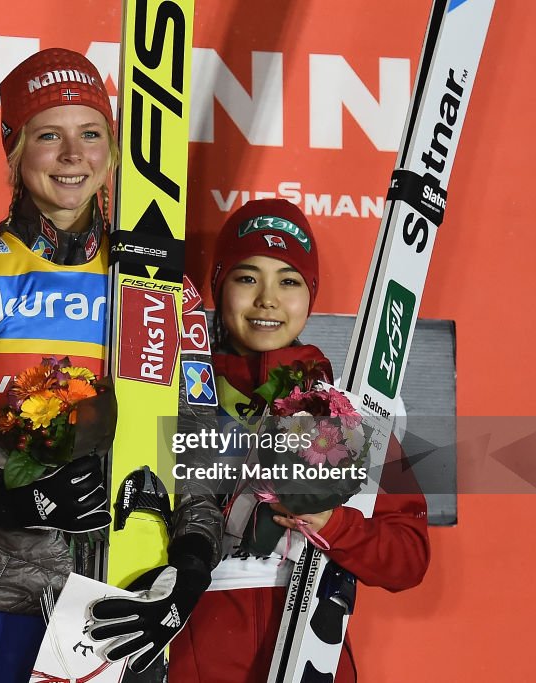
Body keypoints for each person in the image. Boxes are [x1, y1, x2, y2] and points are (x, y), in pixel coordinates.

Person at [0, 48, 222, 682]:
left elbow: (196, 439)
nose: (74, 155)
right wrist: (7, 498)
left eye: (91, 134)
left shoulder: (161, 288)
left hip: (117, 606)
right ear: (16, 152)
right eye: (50, 135)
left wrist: (191, 561)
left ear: (112, 149)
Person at [168, 198, 431, 682]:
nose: (267, 299)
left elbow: (407, 557)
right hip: (191, 642)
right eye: (247, 277)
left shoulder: (354, 408)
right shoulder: (169, 393)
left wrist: (333, 525)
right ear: (219, 285)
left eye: (288, 281)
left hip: (307, 642)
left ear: (310, 294)